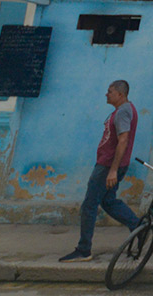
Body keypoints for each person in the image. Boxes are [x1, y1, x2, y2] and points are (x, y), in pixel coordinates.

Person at [59, 80, 141, 262]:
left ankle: (84, 249)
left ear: (120, 95)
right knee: (108, 201)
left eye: (110, 91)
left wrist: (112, 170)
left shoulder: (123, 112)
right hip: (108, 165)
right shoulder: (123, 110)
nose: (106, 94)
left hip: (107, 166)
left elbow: (123, 140)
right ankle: (139, 227)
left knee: (89, 205)